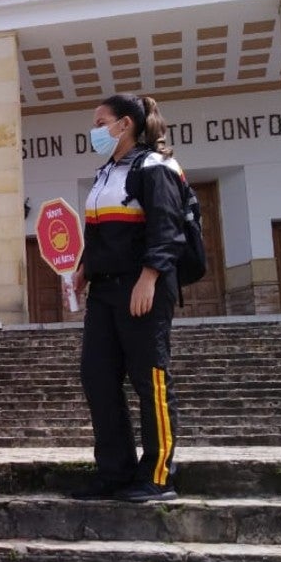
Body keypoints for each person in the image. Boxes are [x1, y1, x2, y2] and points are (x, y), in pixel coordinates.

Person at [68, 93, 184, 504]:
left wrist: (149, 277)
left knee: (149, 378)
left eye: (102, 122)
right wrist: (83, 269)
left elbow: (167, 228)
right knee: (98, 377)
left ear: (126, 124)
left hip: (143, 287)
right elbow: (98, 231)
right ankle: (114, 471)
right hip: (104, 291)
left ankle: (157, 474)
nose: (95, 130)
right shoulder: (105, 175)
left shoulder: (156, 167)